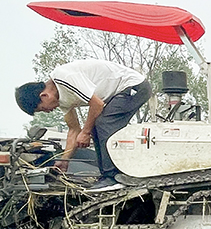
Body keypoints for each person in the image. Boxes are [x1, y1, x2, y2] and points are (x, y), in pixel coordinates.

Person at [15, 59, 152, 193]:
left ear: (44, 96)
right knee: (95, 126)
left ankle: (114, 177)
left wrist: (85, 132)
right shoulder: (62, 101)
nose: (47, 111)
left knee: (103, 123)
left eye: (42, 109)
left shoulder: (64, 78)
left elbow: (97, 104)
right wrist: (65, 159)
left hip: (134, 86)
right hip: (117, 94)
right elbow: (74, 130)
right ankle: (106, 176)